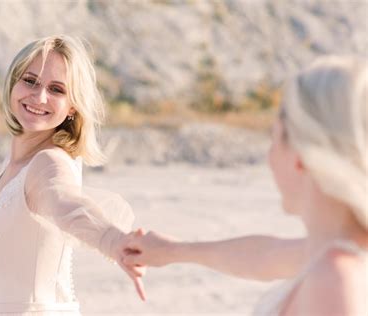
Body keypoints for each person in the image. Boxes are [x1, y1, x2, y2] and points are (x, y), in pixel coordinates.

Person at [124, 56, 368, 315]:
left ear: (300, 157)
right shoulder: (330, 253)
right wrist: (172, 251)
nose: (269, 157)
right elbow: (263, 256)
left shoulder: (334, 278)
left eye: (273, 137)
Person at [0, 35, 145, 316]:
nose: (39, 97)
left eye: (57, 89)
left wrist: (114, 242)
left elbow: (68, 204)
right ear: (13, 83)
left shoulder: (49, 162)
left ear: (73, 106)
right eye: (30, 81)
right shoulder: (13, 162)